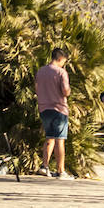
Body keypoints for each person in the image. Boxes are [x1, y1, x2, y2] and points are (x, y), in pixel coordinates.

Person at [35, 48, 73, 180]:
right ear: (61, 59)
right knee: (60, 140)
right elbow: (65, 91)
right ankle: (61, 171)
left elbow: (36, 89)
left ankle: (44, 166)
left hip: (44, 108)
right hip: (59, 109)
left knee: (49, 137)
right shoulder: (61, 72)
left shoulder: (41, 71)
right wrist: (68, 91)